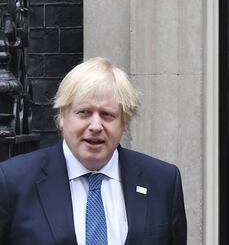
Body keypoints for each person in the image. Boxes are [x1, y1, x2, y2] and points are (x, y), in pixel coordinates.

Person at [0, 57, 187, 245]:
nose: (96, 126)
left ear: (124, 123)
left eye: (107, 115)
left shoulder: (163, 182)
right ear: (62, 117)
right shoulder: (13, 181)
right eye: (84, 112)